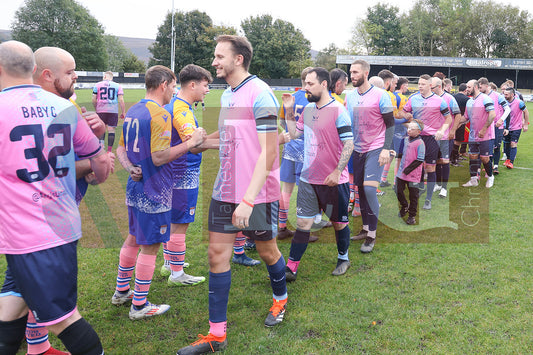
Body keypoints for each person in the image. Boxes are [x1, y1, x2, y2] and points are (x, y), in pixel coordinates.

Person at [176, 35, 288, 355]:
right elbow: (227, 138)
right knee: (216, 256)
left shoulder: (261, 93)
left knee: (268, 252)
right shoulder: (227, 94)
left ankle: (280, 301)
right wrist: (200, 141)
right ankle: (216, 336)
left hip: (256, 193)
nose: (214, 62)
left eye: (219, 56)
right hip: (226, 188)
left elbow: (268, 150)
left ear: (239, 59)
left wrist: (248, 199)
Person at [0, 40, 111, 355]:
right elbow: (100, 162)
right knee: (9, 309)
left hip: (33, 236)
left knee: (64, 320)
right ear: (34, 70)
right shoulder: (64, 107)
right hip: (56, 226)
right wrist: (96, 170)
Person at [111, 65, 206, 320]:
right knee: (150, 246)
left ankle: (122, 291)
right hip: (155, 189)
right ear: (164, 84)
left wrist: (130, 167)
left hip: (135, 187)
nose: (174, 91)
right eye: (174, 86)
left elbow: (120, 148)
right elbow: (160, 156)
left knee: (133, 237)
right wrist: (190, 143)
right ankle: (139, 305)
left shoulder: (133, 109)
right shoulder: (160, 114)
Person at [282, 67, 354, 281]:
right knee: (303, 224)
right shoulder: (309, 110)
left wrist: (337, 171)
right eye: (305, 83)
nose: (306, 87)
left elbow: (349, 143)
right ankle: (291, 268)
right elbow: (295, 134)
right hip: (307, 179)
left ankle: (344, 258)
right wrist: (288, 110)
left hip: (333, 181)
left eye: (310, 84)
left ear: (324, 84)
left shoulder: (338, 110)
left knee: (340, 223)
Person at [159, 64, 217, 283]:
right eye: (205, 85)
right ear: (192, 84)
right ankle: (177, 274)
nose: (207, 90)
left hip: (172, 170)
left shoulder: (176, 104)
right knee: (180, 224)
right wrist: (225, 138)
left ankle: (169, 263)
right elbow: (193, 146)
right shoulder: (181, 110)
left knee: (172, 220)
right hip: (183, 172)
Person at [345, 59, 394, 253]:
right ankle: (365, 229)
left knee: (370, 189)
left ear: (366, 73)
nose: (352, 75)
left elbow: (390, 124)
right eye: (350, 72)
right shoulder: (349, 96)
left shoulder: (381, 95)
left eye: (356, 72)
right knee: (360, 189)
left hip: (376, 147)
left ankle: (372, 234)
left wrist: (385, 148)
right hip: (357, 148)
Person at [399, 74, 452, 210]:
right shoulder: (413, 99)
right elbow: (403, 114)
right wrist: (407, 117)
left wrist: (442, 130)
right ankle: (417, 194)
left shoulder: (439, 101)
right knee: (416, 167)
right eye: (419, 84)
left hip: (431, 139)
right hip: (415, 138)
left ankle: (428, 199)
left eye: (423, 84)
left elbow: (448, 119)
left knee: (430, 168)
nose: (420, 86)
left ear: (430, 85)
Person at [277, 67, 315, 242]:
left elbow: (282, 120)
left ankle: (282, 226)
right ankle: (303, 230)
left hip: (290, 148)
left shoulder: (292, 98)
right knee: (306, 191)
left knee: (286, 190)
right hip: (307, 149)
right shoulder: (313, 99)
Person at [461, 79, 496, 188]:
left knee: (484, 158)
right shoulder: (469, 101)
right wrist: (454, 125)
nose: (467, 89)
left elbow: (492, 115)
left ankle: (490, 177)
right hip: (473, 135)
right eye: (467, 87)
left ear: (475, 87)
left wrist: (484, 129)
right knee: (472, 156)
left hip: (485, 135)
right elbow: (465, 117)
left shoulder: (485, 99)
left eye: (469, 87)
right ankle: (473, 180)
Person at [431, 77, 461, 198]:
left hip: (445, 136)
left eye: (431, 87)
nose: (430, 89)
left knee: (445, 161)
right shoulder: (430, 99)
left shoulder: (449, 98)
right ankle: (438, 183)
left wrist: (453, 130)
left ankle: (444, 187)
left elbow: (458, 114)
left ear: (439, 86)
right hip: (433, 136)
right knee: (436, 160)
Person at [396, 120, 425, 225]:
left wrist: (408, 170)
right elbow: (403, 153)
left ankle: (412, 216)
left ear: (418, 132)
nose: (409, 130)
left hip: (413, 175)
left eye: (412, 129)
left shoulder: (420, 143)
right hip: (401, 173)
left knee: (413, 196)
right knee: (398, 190)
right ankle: (404, 205)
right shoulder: (405, 140)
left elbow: (420, 159)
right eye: (408, 128)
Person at [479, 77, 510, 175]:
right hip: (485, 126)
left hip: (497, 126)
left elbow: (508, 109)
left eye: (480, 87)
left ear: (486, 86)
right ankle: (489, 166)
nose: (479, 89)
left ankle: (495, 166)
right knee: (486, 147)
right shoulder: (480, 97)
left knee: (496, 147)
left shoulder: (497, 96)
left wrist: (501, 120)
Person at [92, 71, 126, 152]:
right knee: (111, 130)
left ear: (104, 77)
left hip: (101, 110)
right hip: (113, 110)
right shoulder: (118, 85)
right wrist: (123, 112)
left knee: (102, 129)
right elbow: (121, 99)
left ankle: (101, 148)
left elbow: (94, 99)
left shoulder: (97, 85)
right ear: (112, 78)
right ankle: (109, 151)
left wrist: (96, 108)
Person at [502, 87, 529, 169]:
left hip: (516, 127)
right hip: (505, 127)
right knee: (506, 144)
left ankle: (511, 162)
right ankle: (508, 159)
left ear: (512, 94)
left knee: (513, 144)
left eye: (506, 94)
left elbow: (526, 112)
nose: (505, 95)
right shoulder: (504, 102)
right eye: (504, 94)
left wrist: (525, 124)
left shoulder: (519, 102)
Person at [451, 83, 470, 166]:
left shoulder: (452, 96)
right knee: (458, 140)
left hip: (451, 120)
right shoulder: (467, 99)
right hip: (461, 121)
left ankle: (454, 157)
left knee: (453, 139)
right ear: (465, 90)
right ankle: (453, 159)